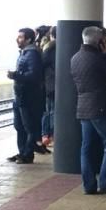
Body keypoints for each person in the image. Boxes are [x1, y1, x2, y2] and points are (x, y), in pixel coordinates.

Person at [71, 26, 106, 196]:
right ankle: (105, 182)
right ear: (99, 41)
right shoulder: (98, 58)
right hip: (101, 107)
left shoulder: (75, 58)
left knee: (86, 146)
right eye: (105, 39)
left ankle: (89, 185)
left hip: (83, 107)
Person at [7, 27, 45, 164]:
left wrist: (16, 75)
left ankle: (27, 154)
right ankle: (22, 151)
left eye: (21, 37)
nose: (17, 39)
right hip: (20, 96)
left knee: (29, 127)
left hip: (28, 97)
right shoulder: (24, 53)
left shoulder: (32, 54)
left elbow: (34, 75)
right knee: (19, 126)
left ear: (28, 39)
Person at [40, 26, 57, 154]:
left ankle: (47, 135)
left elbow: (42, 65)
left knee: (48, 111)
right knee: (53, 111)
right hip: (57, 85)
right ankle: (51, 135)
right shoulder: (61, 48)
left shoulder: (49, 48)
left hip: (49, 84)